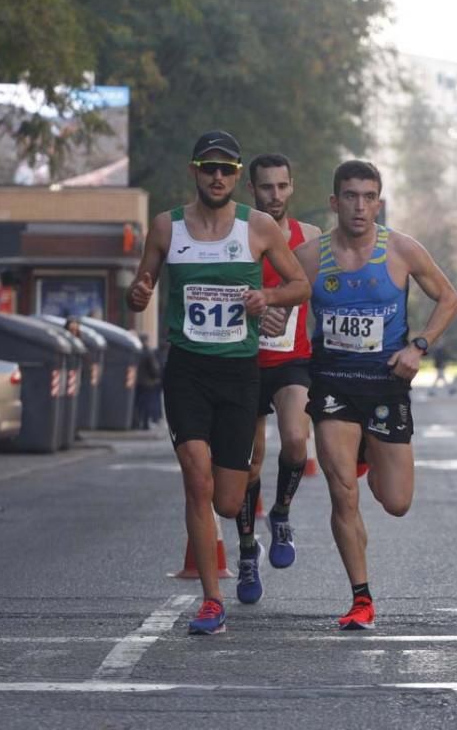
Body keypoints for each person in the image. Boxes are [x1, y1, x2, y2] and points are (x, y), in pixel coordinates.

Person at [126, 130, 310, 635]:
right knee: (196, 477)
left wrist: (267, 301)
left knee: (228, 499)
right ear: (195, 171)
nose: (217, 176)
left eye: (227, 169)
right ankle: (211, 601)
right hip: (187, 367)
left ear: (236, 175)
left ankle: (251, 529)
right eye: (209, 167)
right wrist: (138, 295)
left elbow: (300, 285)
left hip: (238, 371)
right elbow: (139, 289)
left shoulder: (259, 228)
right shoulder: (167, 227)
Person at [294, 160, 457, 630]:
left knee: (396, 501)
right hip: (333, 384)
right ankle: (361, 598)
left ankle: (368, 452)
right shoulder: (310, 256)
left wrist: (420, 345)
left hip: (386, 384)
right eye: (350, 196)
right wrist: (268, 315)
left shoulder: (402, 250)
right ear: (334, 202)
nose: (360, 206)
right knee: (342, 492)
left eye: (369, 197)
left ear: (379, 202)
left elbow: (449, 298)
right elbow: (276, 293)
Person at [231, 153, 321, 605]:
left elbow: (315, 292)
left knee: (296, 441)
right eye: (266, 187)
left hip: (291, 361)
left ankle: (280, 514)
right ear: (252, 189)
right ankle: (248, 552)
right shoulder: (236, 235)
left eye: (282, 186)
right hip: (243, 359)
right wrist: (258, 308)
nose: (276, 195)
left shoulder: (310, 238)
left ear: (292, 187)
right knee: (248, 462)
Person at [134, 333, 162, 430]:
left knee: (138, 403)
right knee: (147, 404)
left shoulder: (136, 351)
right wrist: (157, 376)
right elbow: (154, 368)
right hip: (148, 383)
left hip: (137, 382)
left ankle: (136, 423)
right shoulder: (149, 353)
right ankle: (145, 424)